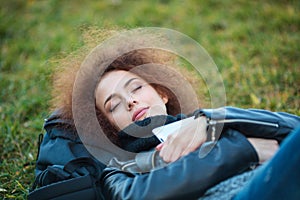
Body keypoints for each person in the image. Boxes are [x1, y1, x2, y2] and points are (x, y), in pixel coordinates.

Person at [33, 29, 300, 199]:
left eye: (136, 87)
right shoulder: (117, 166)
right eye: (113, 105)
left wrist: (211, 119)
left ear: (163, 92)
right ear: (108, 126)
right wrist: (245, 148)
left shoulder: (202, 121)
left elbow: (292, 125)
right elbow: (134, 196)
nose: (131, 101)